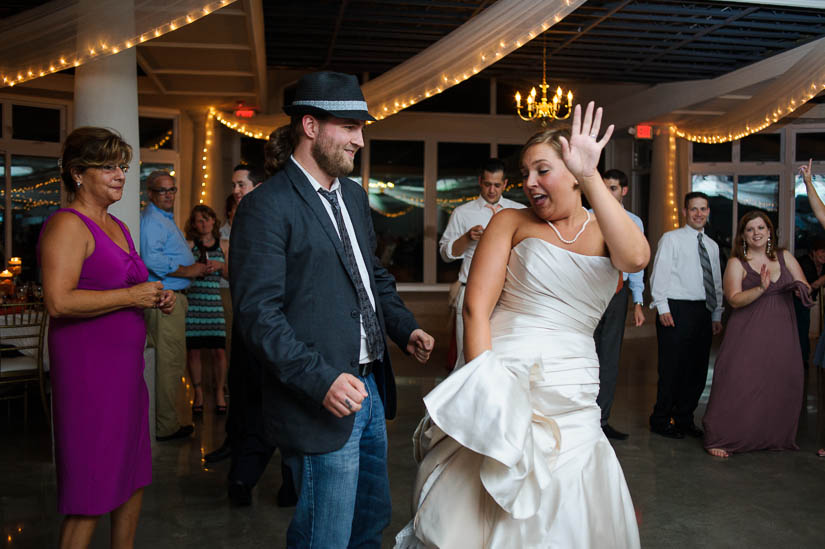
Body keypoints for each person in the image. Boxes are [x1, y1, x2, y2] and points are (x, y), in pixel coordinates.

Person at [396, 102, 647, 548]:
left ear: (573, 172)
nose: (529, 182)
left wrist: (592, 174)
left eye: (542, 170)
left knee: (571, 496)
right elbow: (476, 308)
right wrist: (484, 386)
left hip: (574, 383)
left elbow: (635, 258)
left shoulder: (607, 229)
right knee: (487, 495)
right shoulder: (509, 222)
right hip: (506, 373)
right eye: (525, 173)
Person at [230, 71, 434, 547]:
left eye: (361, 128)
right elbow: (258, 316)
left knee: (369, 522)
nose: (360, 140)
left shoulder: (355, 197)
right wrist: (319, 379)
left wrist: (405, 329)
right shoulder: (267, 206)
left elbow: (373, 279)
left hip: (369, 387)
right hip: (318, 396)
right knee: (327, 533)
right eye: (349, 126)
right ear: (310, 126)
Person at [38, 127, 175, 547]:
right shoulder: (67, 225)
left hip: (125, 375)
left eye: (123, 166)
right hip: (90, 378)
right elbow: (58, 302)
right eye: (109, 166)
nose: (120, 175)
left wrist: (154, 296)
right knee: (92, 487)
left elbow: (120, 288)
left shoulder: (117, 225)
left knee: (132, 475)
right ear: (78, 173)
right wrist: (131, 294)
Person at [702, 211, 811, 458]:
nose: (757, 233)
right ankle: (721, 436)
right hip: (747, 331)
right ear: (743, 235)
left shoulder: (785, 257)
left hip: (782, 331)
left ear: (769, 231)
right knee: (737, 380)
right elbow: (734, 299)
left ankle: (768, 436)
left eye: (761, 227)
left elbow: (803, 283)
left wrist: (798, 288)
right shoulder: (736, 263)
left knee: (780, 381)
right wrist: (761, 288)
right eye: (750, 229)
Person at [140, 170, 222, 441]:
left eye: (172, 189)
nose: (168, 195)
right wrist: (188, 271)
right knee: (169, 363)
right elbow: (153, 260)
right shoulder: (152, 219)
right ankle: (165, 426)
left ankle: (166, 421)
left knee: (172, 362)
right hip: (165, 302)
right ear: (150, 193)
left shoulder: (164, 219)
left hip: (173, 299)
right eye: (162, 190)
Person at [648, 191, 724, 439]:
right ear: (685, 212)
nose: (699, 214)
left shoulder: (712, 246)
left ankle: (684, 419)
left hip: (702, 311)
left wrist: (716, 315)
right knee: (672, 369)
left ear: (708, 212)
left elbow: (716, 282)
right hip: (675, 308)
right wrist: (662, 307)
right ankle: (660, 419)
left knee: (697, 370)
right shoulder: (671, 239)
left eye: (703, 209)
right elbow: (659, 273)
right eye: (694, 209)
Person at [438, 158, 525, 368]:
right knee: (466, 360)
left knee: (504, 358)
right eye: (487, 184)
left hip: (509, 294)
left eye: (497, 185)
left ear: (505, 184)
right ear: (480, 181)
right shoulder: (463, 212)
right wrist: (466, 238)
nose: (492, 190)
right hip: (470, 292)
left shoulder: (519, 212)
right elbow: (445, 255)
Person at [592, 168, 646, 440]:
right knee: (583, 354)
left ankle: (602, 420)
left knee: (609, 359)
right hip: (588, 292)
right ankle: (580, 419)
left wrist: (638, 301)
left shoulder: (633, 222)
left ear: (624, 190)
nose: (608, 192)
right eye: (604, 187)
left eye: (612, 188)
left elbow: (636, 265)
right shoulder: (589, 218)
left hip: (617, 294)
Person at [183, 205, 230, 415]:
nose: (203, 223)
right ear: (193, 224)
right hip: (193, 302)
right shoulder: (188, 245)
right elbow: (181, 271)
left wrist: (220, 267)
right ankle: (198, 393)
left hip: (214, 303)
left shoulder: (224, 245)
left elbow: (231, 275)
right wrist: (196, 269)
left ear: (213, 221)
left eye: (206, 219)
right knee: (193, 351)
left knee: (219, 350)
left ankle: (220, 391)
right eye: (198, 220)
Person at [794, 238, 825, 370]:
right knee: (801, 326)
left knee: (804, 326)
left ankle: (803, 358)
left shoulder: (823, 265)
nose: (824, 255)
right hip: (794, 299)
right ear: (814, 252)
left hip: (806, 300)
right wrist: (818, 283)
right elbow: (803, 290)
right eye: (822, 251)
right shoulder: (805, 263)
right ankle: (801, 359)